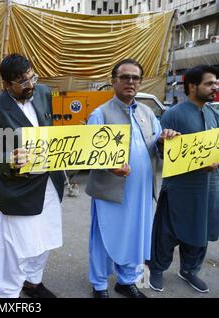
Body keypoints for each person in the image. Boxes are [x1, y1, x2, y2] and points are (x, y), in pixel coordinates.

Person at [85, 59, 178, 298]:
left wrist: (163, 139)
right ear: (113, 81)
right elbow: (89, 155)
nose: (130, 82)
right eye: (125, 77)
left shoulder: (148, 113)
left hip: (142, 191)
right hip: (111, 191)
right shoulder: (100, 114)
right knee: (104, 237)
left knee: (136, 236)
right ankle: (99, 286)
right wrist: (110, 168)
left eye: (135, 78)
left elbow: (157, 146)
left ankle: (126, 281)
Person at [0, 54, 65, 298]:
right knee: (15, 247)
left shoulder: (43, 92)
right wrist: (9, 158)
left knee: (45, 238)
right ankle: (7, 294)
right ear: (6, 85)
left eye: (32, 77)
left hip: (49, 182)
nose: (30, 85)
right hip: (19, 189)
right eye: (22, 82)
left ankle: (33, 282)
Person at [148, 65, 219, 293]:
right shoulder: (174, 114)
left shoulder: (213, 114)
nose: (215, 87)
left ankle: (190, 270)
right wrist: (163, 140)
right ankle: (157, 268)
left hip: (209, 188)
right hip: (179, 188)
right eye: (209, 83)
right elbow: (161, 152)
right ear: (192, 86)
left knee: (200, 231)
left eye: (216, 83)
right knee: (167, 232)